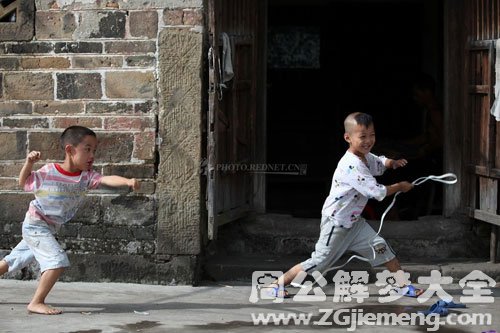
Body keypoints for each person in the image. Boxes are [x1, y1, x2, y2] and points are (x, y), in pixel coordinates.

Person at [265, 112, 422, 297]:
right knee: (318, 262)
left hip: (355, 223)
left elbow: (378, 161)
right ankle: (275, 285)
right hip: (337, 223)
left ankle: (403, 286)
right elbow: (376, 192)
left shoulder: (365, 156)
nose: (368, 141)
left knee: (382, 248)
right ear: (348, 138)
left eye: (372, 135)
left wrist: (392, 163)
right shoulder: (351, 165)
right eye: (363, 136)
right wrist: (400, 187)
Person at [0, 126, 140, 315]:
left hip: (49, 228)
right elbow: (24, 182)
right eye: (87, 149)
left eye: (94, 150)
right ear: (69, 150)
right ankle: (36, 302)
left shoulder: (85, 177)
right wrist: (29, 163)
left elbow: (107, 179)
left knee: (15, 259)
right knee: (57, 261)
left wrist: (127, 182)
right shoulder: (49, 171)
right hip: (36, 224)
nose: (92, 155)